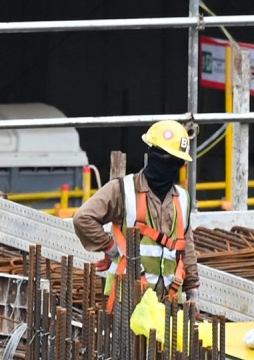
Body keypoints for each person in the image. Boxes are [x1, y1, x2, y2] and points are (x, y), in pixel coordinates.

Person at [74, 120, 198, 310]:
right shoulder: (123, 190)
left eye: (175, 161)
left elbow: (185, 244)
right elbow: (83, 218)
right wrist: (110, 247)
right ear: (151, 155)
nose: (168, 165)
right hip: (128, 300)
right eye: (163, 158)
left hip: (169, 301)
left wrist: (192, 290)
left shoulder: (182, 199)